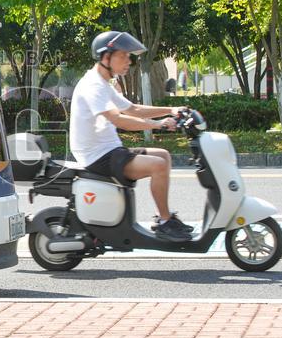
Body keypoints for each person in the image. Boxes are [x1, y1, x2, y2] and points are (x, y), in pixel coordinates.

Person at [69, 30, 193, 242]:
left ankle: (163, 217)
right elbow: (119, 119)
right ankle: (165, 222)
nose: (128, 61)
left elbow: (132, 109)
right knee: (158, 165)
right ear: (106, 57)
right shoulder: (93, 86)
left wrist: (170, 110)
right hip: (97, 157)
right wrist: (158, 124)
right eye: (123, 56)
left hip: (109, 151)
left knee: (163, 156)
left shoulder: (103, 83)